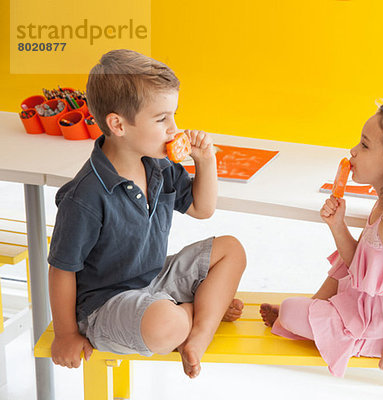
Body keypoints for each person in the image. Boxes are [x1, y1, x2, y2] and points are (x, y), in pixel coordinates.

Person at [47, 49, 246, 379]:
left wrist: (205, 160)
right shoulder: (85, 196)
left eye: (174, 115)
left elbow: (202, 208)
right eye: (161, 119)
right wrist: (66, 334)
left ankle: (197, 332)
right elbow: (61, 270)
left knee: (231, 249)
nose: (174, 129)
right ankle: (203, 311)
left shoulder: (158, 165)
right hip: (106, 304)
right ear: (118, 124)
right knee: (164, 326)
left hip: (154, 278)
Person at [260, 104, 383, 377]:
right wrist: (337, 225)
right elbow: (358, 265)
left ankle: (315, 319)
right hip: (372, 308)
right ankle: (314, 312)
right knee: (324, 283)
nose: (353, 151)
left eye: (364, 145)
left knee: (291, 310)